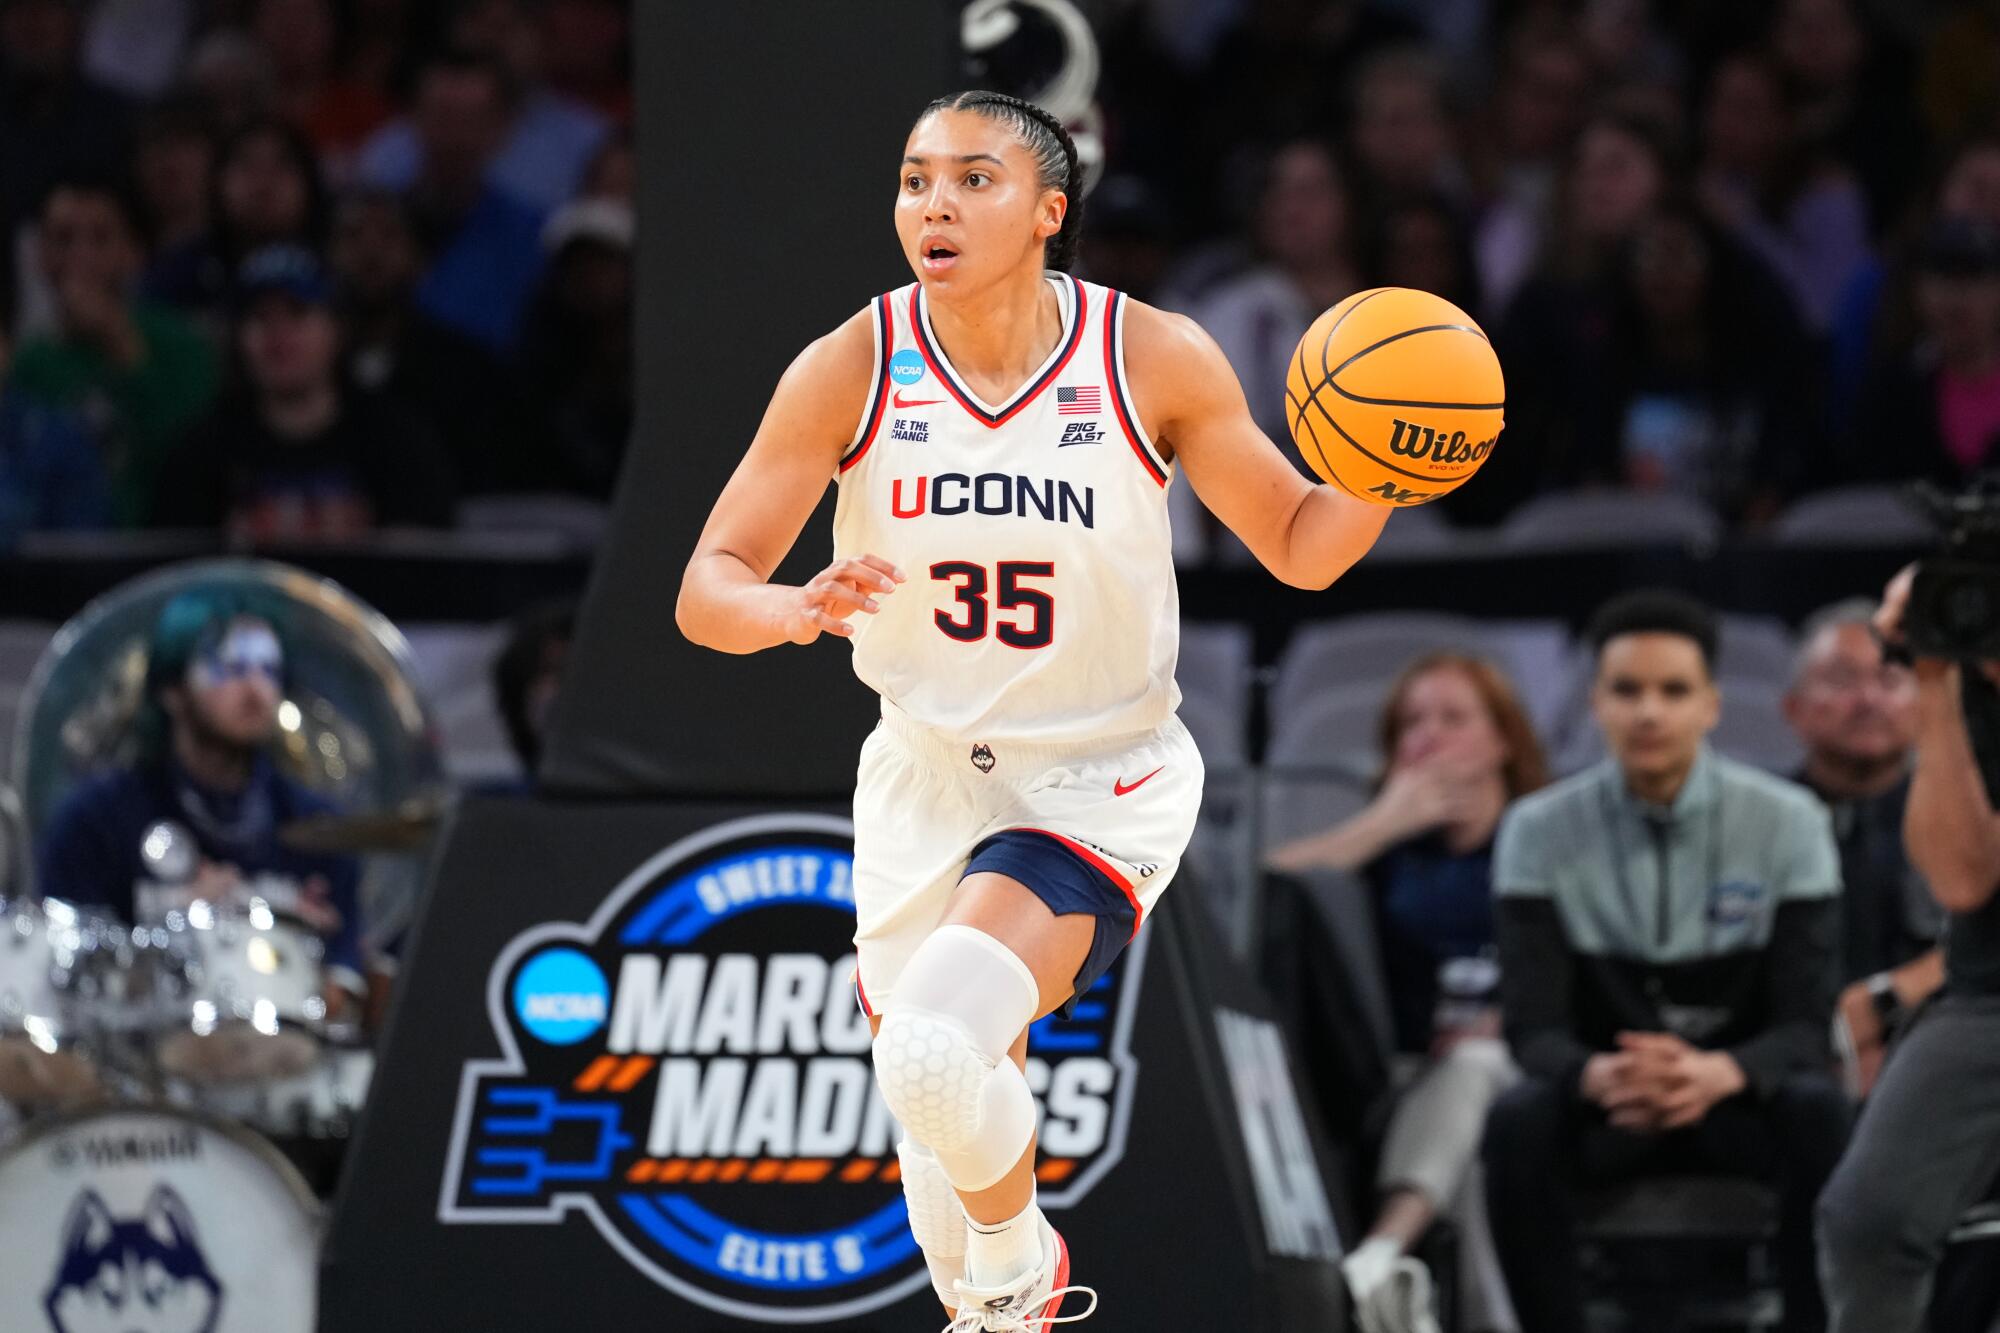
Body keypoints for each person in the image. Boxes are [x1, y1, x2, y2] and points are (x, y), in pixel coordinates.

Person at [676, 90, 1391, 1329]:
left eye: (971, 179)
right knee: (936, 1144)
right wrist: (791, 607)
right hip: (919, 774)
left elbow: (1298, 545)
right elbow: (705, 589)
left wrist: (1380, 470)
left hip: (1092, 775)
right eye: (913, 180)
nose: (933, 204)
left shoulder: (1146, 356)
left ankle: (1023, 1272)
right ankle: (990, 1290)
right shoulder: (850, 364)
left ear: (1048, 210)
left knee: (937, 1050)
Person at [1483, 589, 1849, 1333]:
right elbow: (1532, 1028)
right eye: (1627, 690)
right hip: (1607, 1101)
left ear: (1711, 704)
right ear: (1596, 703)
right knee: (1517, 1120)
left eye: (1673, 690)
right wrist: (1597, 1075)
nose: (1649, 712)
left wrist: (1718, 1073)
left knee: (1819, 1109)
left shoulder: (1791, 823)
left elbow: (1806, 1024)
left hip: (1736, 1095)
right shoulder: (1535, 829)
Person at [1268, 652, 1547, 1333]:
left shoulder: (1543, 835)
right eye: (1411, 723)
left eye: (1453, 718)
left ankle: (1383, 1250)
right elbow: (1266, 886)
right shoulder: (1392, 850)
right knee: (1474, 1160)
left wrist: (1508, 1019)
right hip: (1402, 1073)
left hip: (1526, 1061)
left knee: (1480, 1075)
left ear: (1502, 740)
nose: (1427, 735)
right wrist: (1382, 823)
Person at [1816, 568, 2000, 1333]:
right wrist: (1934, 674)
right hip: (1990, 998)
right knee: (1871, 1217)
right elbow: (1962, 877)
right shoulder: (1970, 682)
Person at [36, 587, 366, 1013]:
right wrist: (178, 923)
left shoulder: (322, 827)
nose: (256, 689)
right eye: (232, 668)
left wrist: (306, 945)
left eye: (269, 670)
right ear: (171, 691)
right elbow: (59, 973)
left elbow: (348, 990)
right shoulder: (94, 820)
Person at [153, 244, 456, 538]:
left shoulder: (399, 439)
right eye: (260, 316)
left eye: (297, 313)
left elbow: (423, 565)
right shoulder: (200, 449)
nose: (278, 334)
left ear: (338, 328)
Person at [1782, 599, 1941, 1097]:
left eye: (1890, 680)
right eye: (1841, 680)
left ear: (1922, 704)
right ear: (1793, 708)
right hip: (1787, 1063)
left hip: (1937, 1050)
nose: (1868, 700)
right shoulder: (1753, 821)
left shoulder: (1969, 819)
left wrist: (1883, 1004)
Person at [6, 175, 217, 527]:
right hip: (58, 560)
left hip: (163, 550)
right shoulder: (28, 363)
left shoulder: (181, 344)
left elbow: (194, 461)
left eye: (100, 238)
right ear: (40, 255)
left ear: (134, 252)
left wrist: (122, 345)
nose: (80, 255)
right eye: (63, 239)